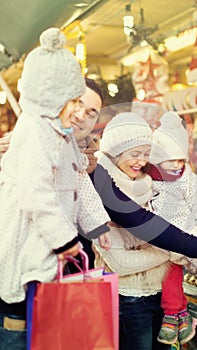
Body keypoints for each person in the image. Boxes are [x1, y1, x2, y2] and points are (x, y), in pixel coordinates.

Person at [0, 78, 197, 284]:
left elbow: (138, 218)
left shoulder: (86, 166)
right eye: (77, 104)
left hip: (63, 283)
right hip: (16, 277)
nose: (81, 116)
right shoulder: (23, 146)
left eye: (92, 112)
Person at [0, 28, 111, 350]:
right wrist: (65, 241)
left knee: (43, 323)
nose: (80, 112)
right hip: (25, 248)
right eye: (75, 101)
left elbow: (78, 183)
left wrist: (96, 223)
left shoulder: (58, 135)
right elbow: (35, 194)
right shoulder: (36, 132)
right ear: (53, 95)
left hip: (43, 250)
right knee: (19, 320)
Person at [92, 111, 173, 349]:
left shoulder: (153, 188)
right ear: (115, 152)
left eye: (146, 154)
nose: (141, 161)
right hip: (126, 298)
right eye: (134, 154)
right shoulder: (101, 191)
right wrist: (170, 252)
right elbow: (120, 263)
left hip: (161, 296)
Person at [148, 111, 197, 345]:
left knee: (172, 269)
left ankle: (174, 312)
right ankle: (178, 315)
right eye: (171, 160)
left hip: (182, 241)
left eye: (181, 160)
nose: (177, 166)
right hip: (150, 245)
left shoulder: (190, 181)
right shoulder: (145, 179)